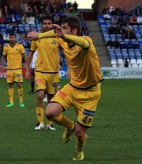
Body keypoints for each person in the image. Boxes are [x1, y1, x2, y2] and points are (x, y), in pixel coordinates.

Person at [27, 17, 102, 160]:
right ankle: (70, 126)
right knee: (50, 112)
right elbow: (53, 34)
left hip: (90, 94)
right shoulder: (64, 41)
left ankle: (79, 149)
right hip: (72, 88)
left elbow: (84, 43)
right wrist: (39, 36)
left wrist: (65, 35)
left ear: (74, 31)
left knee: (80, 134)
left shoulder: (86, 41)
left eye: (65, 28)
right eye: (60, 29)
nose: (60, 31)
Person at [25, 16, 60, 131]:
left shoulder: (58, 37)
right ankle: (40, 122)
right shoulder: (36, 38)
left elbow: (66, 52)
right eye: (44, 23)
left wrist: (70, 68)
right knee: (40, 95)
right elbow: (30, 54)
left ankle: (50, 124)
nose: (47, 25)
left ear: (52, 25)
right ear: (42, 25)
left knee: (52, 99)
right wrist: (27, 69)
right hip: (40, 71)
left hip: (54, 73)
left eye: (49, 23)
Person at [0, 33, 26, 108]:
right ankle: (11, 102)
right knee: (10, 85)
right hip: (9, 70)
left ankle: (21, 102)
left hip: (18, 69)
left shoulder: (20, 46)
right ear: (9, 38)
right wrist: (1, 64)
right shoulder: (6, 47)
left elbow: (25, 55)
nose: (12, 39)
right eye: (10, 37)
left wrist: (26, 64)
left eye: (13, 37)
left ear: (15, 38)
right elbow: (3, 57)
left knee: (19, 85)